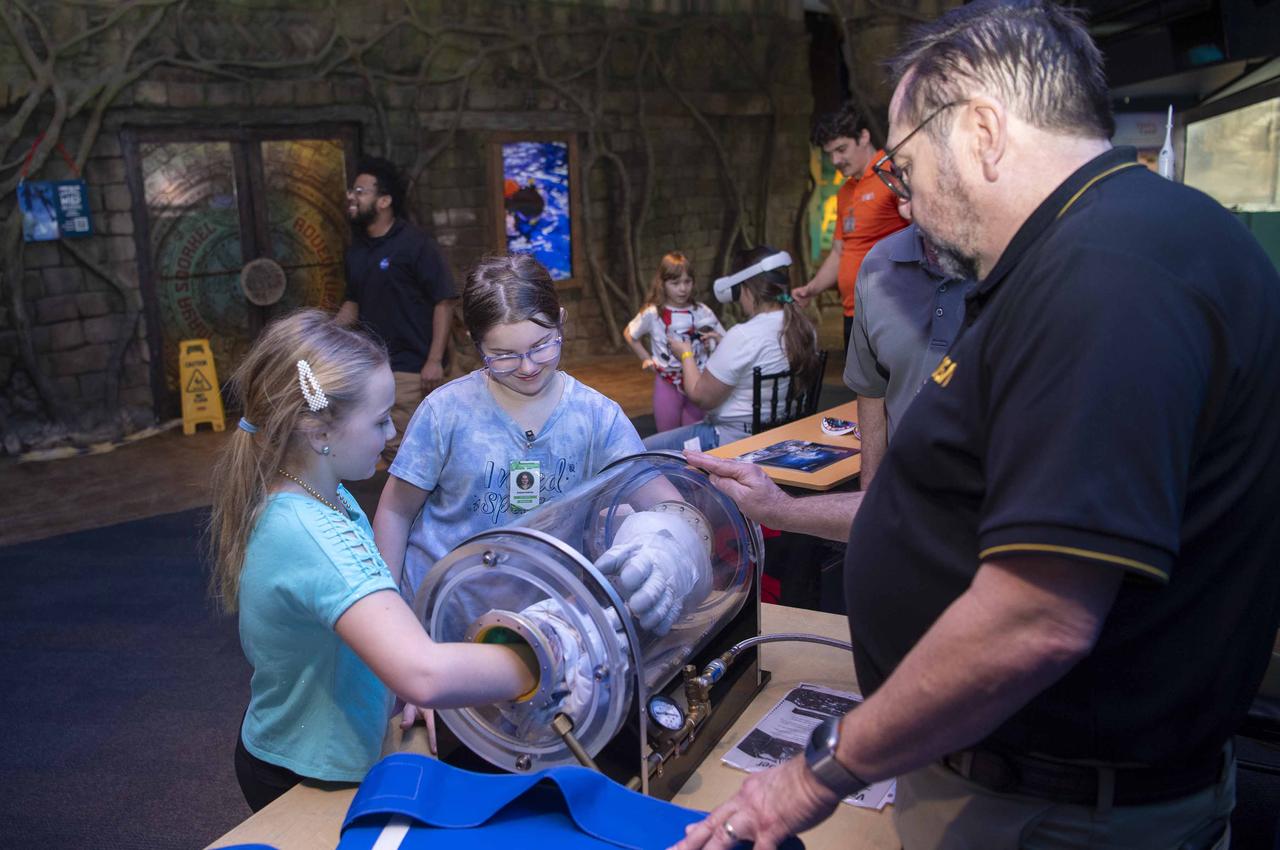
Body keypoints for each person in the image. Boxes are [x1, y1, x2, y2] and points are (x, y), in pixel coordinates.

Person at [675, 1, 1280, 848]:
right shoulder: (1113, 242)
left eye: (908, 161)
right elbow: (966, 518)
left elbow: (1039, 614)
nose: (904, 192)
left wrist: (817, 773)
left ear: (985, 130)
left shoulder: (1107, 277)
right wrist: (783, 507)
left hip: (1051, 810)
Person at [207, 309, 544, 813]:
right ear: (317, 427)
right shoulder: (310, 532)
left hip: (333, 751)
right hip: (306, 776)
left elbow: (382, 636)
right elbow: (423, 673)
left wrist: (408, 679)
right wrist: (547, 657)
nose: (391, 434)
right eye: (380, 418)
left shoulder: (329, 496)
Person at [373, 254, 649, 601]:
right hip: (438, 607)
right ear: (476, 341)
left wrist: (666, 543)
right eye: (503, 354)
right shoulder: (444, 412)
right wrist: (387, 604)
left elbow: (661, 501)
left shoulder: (597, 417)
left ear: (560, 321)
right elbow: (396, 511)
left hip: (541, 619)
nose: (527, 367)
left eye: (541, 346)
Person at [336, 156, 457, 464]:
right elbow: (353, 303)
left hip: (412, 368)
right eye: (352, 190)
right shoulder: (357, 251)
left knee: (407, 453)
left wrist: (433, 360)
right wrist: (323, 335)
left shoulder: (415, 245)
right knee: (394, 451)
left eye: (361, 191)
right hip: (374, 366)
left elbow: (443, 301)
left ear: (384, 200)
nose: (352, 196)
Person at [642, 247, 820, 453]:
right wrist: (725, 342)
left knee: (643, 451)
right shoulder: (804, 327)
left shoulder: (743, 335)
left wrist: (686, 354)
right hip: (784, 434)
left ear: (746, 289)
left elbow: (701, 397)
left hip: (734, 439)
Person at [844, 208, 971, 487]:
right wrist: (870, 493)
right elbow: (871, 390)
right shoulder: (878, 264)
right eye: (902, 172)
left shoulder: (1019, 260)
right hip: (907, 493)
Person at [792, 103, 909, 349]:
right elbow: (839, 251)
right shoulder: (845, 192)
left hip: (891, 310)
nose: (835, 160)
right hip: (853, 312)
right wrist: (812, 289)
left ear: (864, 137)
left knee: (893, 386)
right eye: (829, 153)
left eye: (841, 149)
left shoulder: (892, 174)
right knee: (861, 387)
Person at [623, 252, 726, 432]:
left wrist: (717, 339)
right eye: (675, 283)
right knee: (667, 435)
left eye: (687, 282)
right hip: (667, 382)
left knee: (693, 436)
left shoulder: (703, 311)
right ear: (662, 284)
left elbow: (725, 340)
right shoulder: (653, 313)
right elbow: (630, 333)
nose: (682, 289)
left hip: (697, 383)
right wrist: (645, 358)